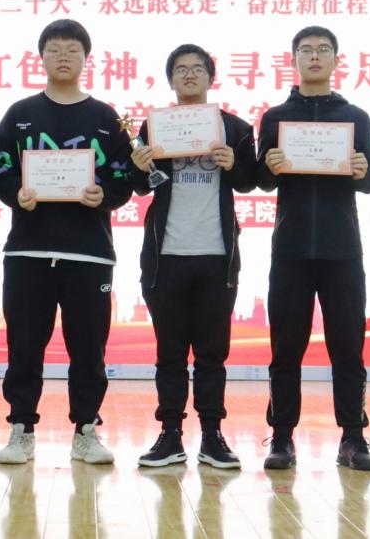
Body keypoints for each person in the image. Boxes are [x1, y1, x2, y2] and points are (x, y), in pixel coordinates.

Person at [0, 19, 133, 465]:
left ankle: (86, 429)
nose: (63, 56)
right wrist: (16, 193)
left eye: (72, 49)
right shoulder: (19, 113)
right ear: (42, 57)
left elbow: (124, 176)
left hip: (89, 252)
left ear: (86, 58)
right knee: (24, 345)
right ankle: (21, 428)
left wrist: (103, 195)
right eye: (55, 49)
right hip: (28, 250)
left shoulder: (106, 118)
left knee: (89, 348)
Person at [257, 26, 370, 471]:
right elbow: (261, 178)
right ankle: (281, 438)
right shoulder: (275, 118)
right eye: (306, 50)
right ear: (293, 59)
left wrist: (362, 170)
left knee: (348, 348)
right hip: (290, 249)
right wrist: (269, 165)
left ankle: (353, 438)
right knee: (285, 349)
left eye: (323, 50)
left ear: (335, 60)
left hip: (342, 250)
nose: (314, 56)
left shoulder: (356, 117)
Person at [129, 44, 257, 469]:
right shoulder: (154, 127)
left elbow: (250, 181)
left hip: (217, 256)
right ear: (170, 80)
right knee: (169, 353)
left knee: (211, 354)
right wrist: (140, 165)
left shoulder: (234, 128)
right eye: (180, 69)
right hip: (166, 256)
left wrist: (234, 162)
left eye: (197, 69)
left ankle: (213, 436)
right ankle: (169, 435)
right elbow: (141, 186)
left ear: (210, 78)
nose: (188, 75)